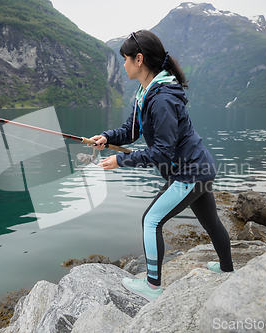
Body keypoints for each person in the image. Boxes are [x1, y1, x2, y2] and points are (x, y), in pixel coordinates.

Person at [90, 30, 234, 302]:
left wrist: (121, 160)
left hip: (190, 172)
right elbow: (131, 130)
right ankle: (227, 269)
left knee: (151, 220)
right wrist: (107, 137)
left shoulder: (162, 99)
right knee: (210, 221)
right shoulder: (147, 90)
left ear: (139, 59)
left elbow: (161, 152)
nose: (123, 64)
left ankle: (153, 286)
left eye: (125, 59)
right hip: (199, 168)